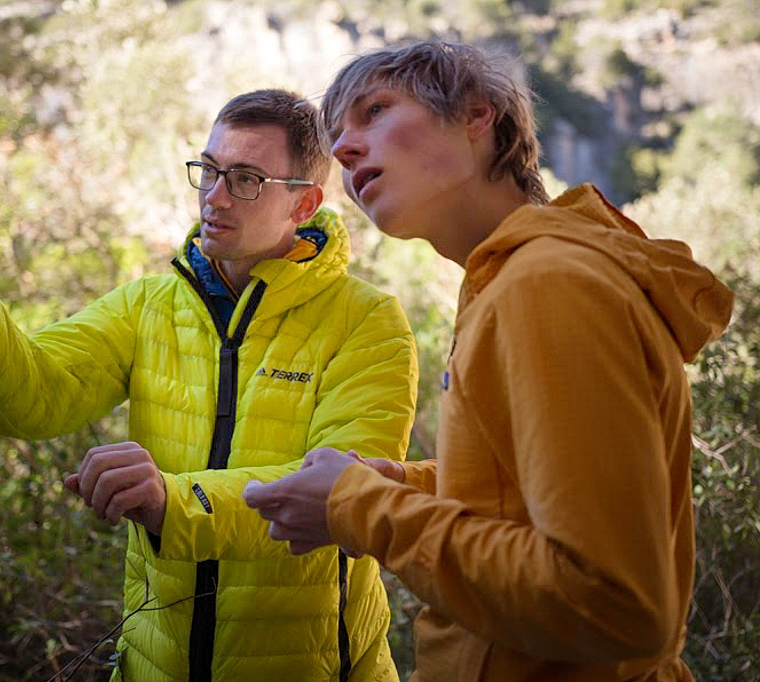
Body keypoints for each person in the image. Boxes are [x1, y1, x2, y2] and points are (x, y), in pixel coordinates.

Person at [0, 88, 418, 682]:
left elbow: (341, 494)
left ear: (304, 204)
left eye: (245, 179)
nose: (213, 197)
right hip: (151, 667)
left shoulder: (367, 320)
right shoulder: (148, 305)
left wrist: (173, 503)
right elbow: (28, 395)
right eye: (209, 170)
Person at [243, 41, 735, 682]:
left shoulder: (549, 283)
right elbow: (532, 504)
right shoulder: (515, 279)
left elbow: (614, 603)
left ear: (478, 116)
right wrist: (405, 486)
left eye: (376, 111)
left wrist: (361, 508)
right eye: (338, 134)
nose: (343, 149)